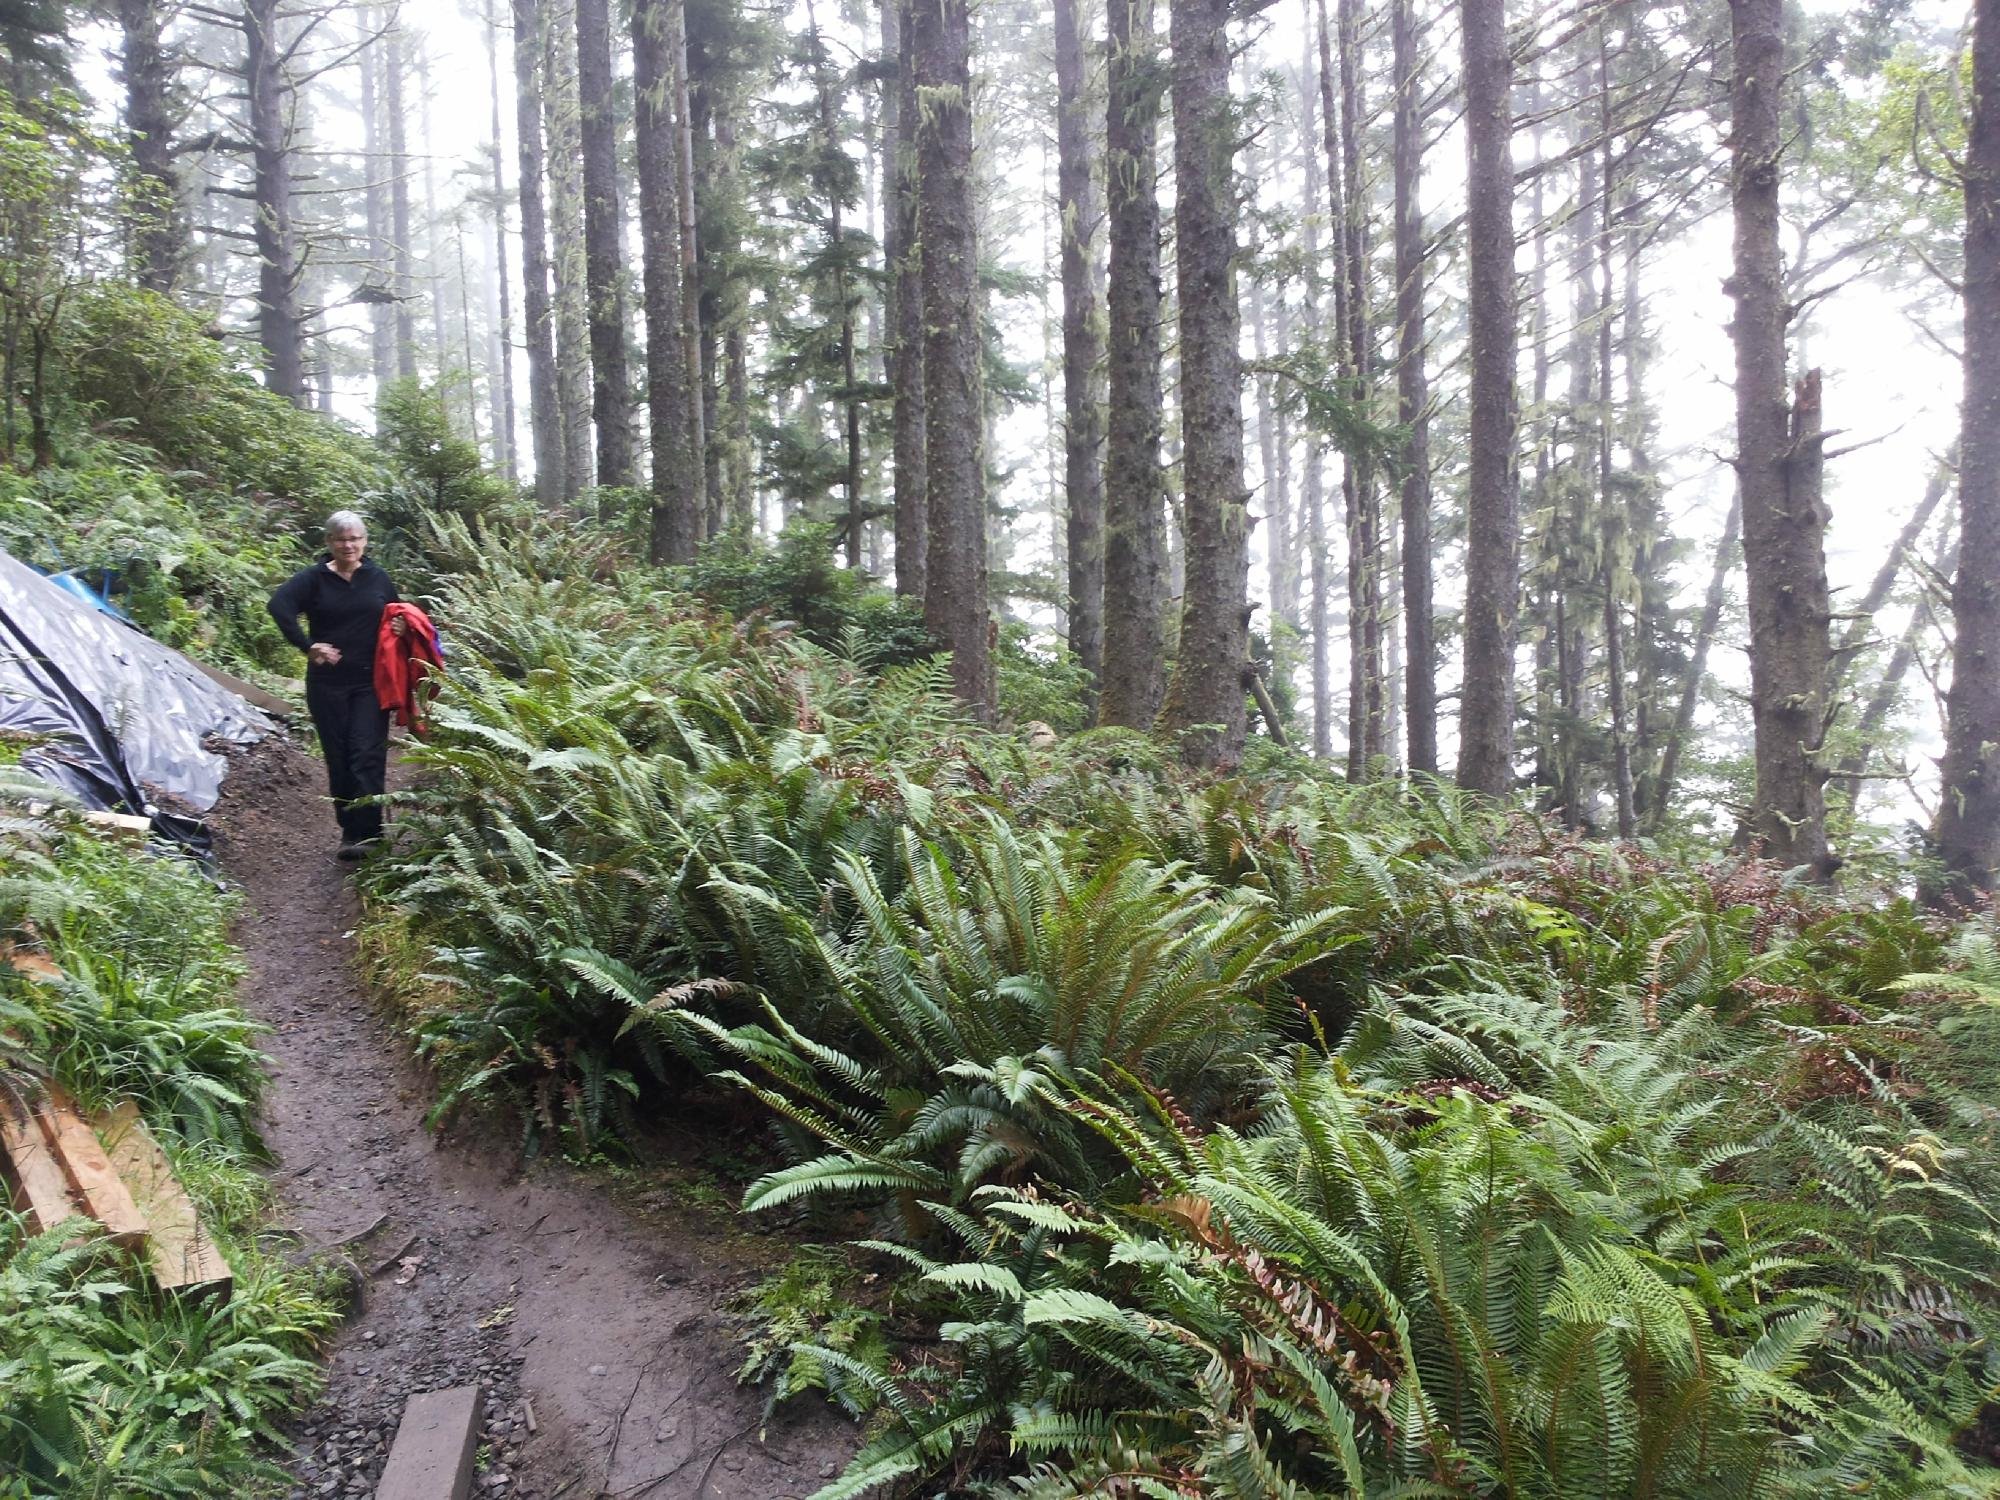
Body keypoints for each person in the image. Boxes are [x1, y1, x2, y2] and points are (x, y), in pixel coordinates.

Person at [268, 512, 406, 859]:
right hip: (327, 685)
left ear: (365, 541)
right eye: (340, 539)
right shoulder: (313, 580)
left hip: (370, 682)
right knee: (339, 755)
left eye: (355, 538)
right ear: (329, 543)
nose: (348, 545)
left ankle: (371, 834)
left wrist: (401, 628)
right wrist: (307, 645)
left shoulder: (377, 577)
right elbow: (279, 606)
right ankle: (349, 832)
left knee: (367, 752)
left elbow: (395, 614)